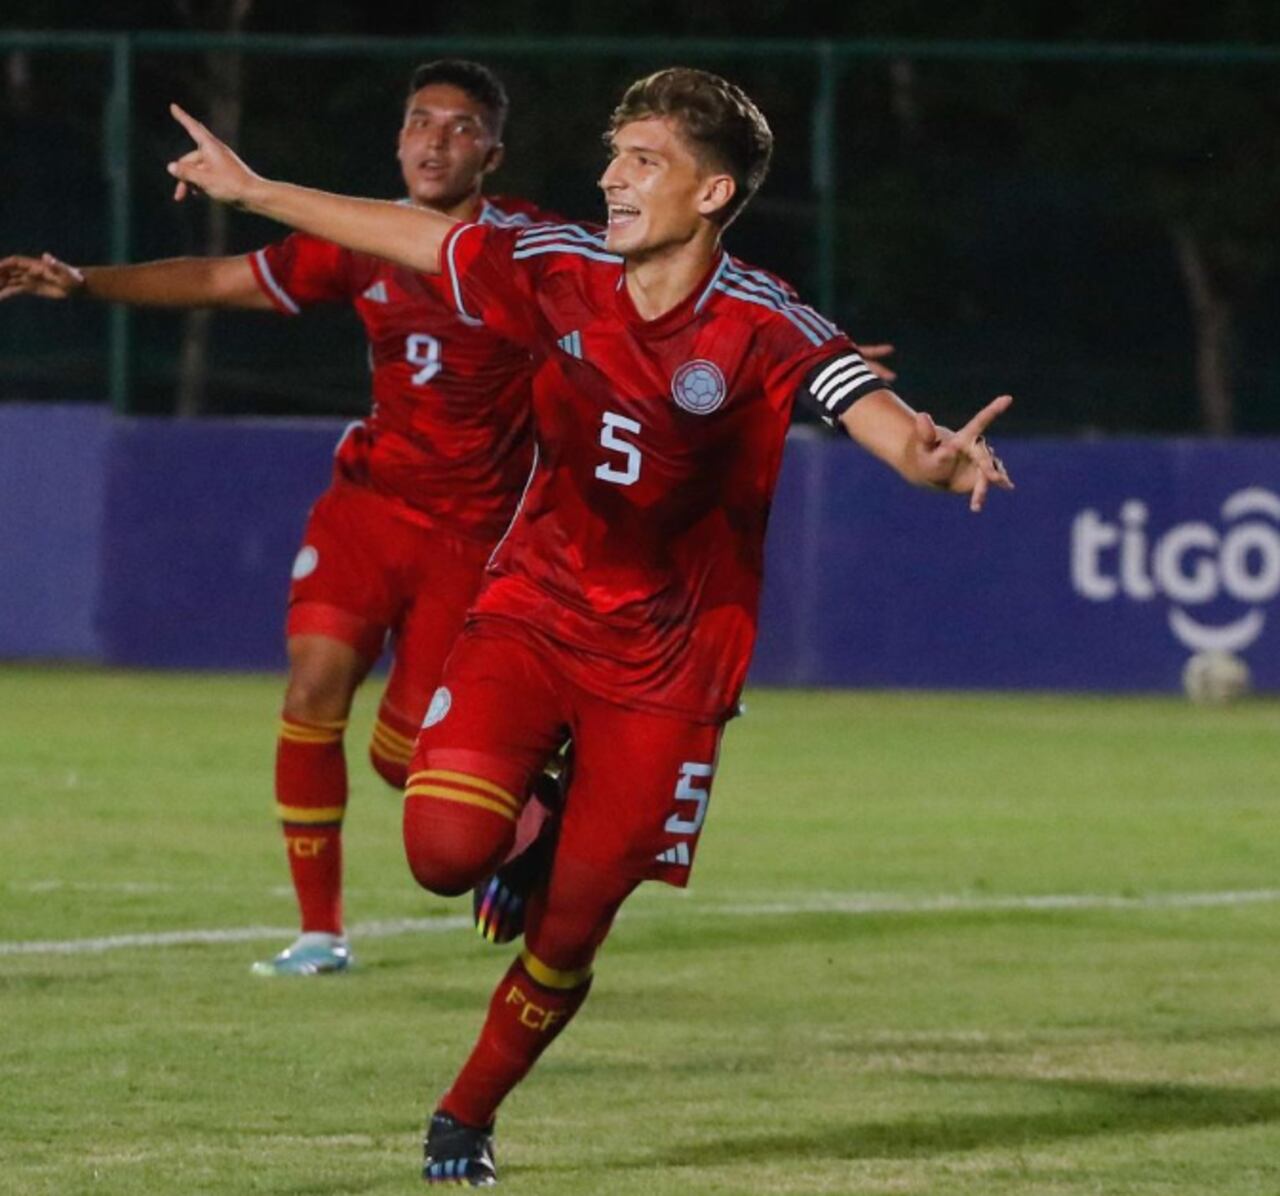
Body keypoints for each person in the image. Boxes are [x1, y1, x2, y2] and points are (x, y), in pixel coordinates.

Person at [163, 65, 1009, 1185]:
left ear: (710, 195)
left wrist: (931, 461)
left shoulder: (760, 320)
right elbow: (407, 237)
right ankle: (538, 802)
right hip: (531, 610)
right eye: (613, 155)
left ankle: (463, 1116)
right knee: (440, 852)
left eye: (642, 162)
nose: (610, 179)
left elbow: (874, 415)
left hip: (667, 663)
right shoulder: (552, 267)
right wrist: (258, 188)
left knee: (567, 930)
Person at [0, 60, 563, 977]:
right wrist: (86, 282)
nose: (435, 139)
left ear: (492, 155)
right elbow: (224, 281)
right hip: (370, 510)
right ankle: (320, 932)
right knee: (311, 692)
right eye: (420, 120)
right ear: (397, 139)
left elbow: (646, 303)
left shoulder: (531, 249)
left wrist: (782, 360)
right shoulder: (358, 239)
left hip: (476, 537)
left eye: (461, 128)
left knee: (405, 761)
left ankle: (534, 814)